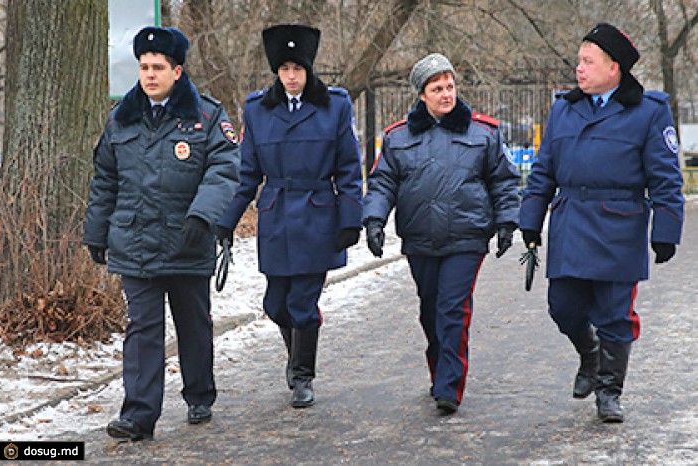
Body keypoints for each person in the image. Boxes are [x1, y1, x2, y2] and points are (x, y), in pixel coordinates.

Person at [519, 23, 684, 423]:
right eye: (579, 60)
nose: (579, 69)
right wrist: (530, 220)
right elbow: (543, 171)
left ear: (615, 69)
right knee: (563, 307)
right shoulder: (564, 108)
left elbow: (666, 178)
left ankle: (609, 391)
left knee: (614, 314)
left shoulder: (648, 111)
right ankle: (589, 355)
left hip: (618, 227)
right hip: (571, 223)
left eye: (588, 62)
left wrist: (666, 231)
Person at [83, 26, 240, 440]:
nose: (149, 74)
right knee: (142, 329)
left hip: (187, 240)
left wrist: (202, 217)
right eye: (144, 67)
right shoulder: (121, 118)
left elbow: (224, 171)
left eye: (158, 67)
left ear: (177, 71)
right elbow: (105, 180)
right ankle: (138, 415)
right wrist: (96, 231)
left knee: (193, 325)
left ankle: (199, 394)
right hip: (135, 243)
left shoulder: (206, 116)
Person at [363, 53, 520, 415]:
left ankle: (450, 385)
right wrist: (374, 220)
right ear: (422, 94)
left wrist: (507, 222)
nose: (446, 94)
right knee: (430, 310)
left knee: (452, 308)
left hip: (467, 237)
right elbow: (383, 182)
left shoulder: (484, 133)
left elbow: (504, 181)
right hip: (420, 238)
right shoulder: (397, 138)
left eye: (450, 87)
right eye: (437, 88)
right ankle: (439, 369)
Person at [215, 24, 363, 408]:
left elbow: (349, 167)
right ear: (276, 72)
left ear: (308, 69)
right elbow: (247, 175)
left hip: (318, 217)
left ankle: (302, 376)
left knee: (302, 303)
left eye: (298, 68)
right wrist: (226, 221)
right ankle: (296, 358)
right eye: (284, 69)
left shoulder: (335, 105)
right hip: (276, 216)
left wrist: (351, 218)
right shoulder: (258, 110)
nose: (292, 76)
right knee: (276, 305)